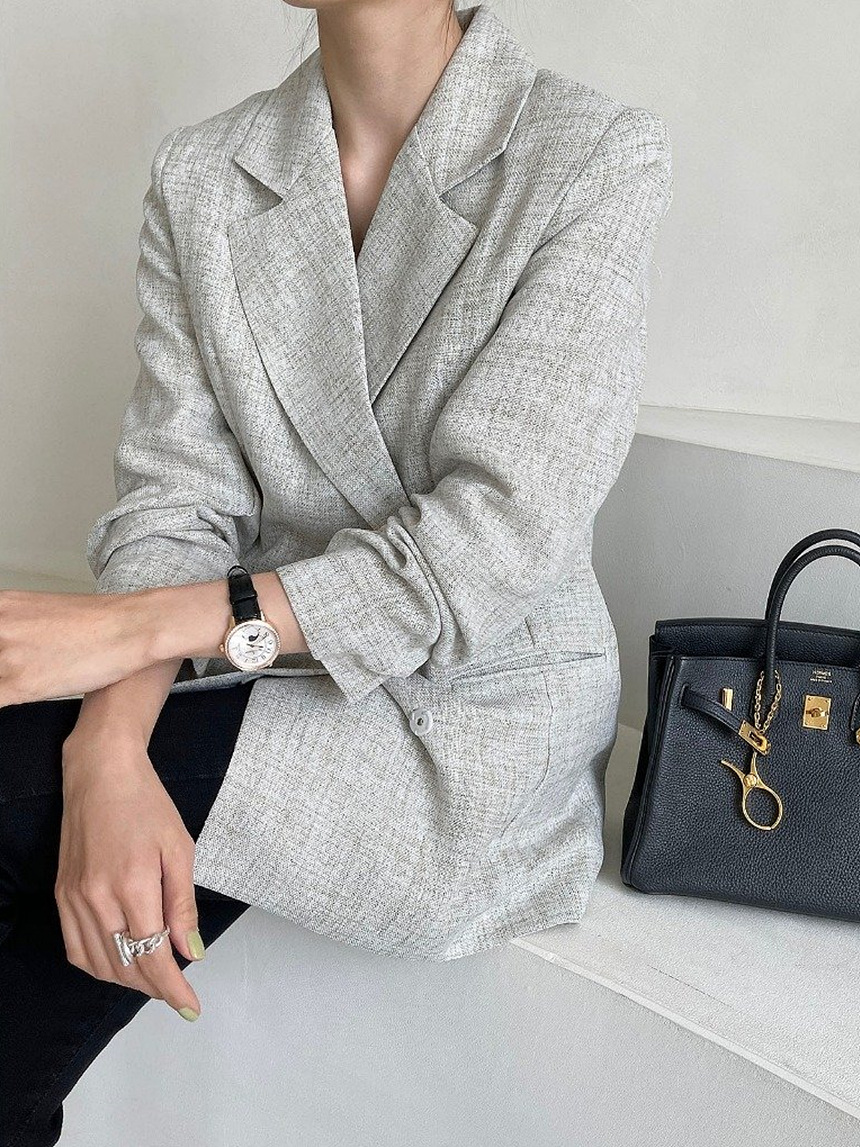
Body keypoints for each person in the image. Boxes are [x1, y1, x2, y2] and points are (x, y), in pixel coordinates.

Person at [0, 1, 673, 1141]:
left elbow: (490, 543)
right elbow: (175, 502)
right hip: (269, 672)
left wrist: (139, 634)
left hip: (474, 718)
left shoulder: (589, 154)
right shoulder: (205, 176)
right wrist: (110, 743)